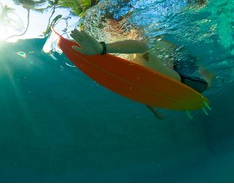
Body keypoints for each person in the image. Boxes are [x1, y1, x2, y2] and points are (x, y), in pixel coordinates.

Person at [70, 29, 215, 119]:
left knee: (205, 85)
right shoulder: (124, 59)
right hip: (166, 78)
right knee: (166, 63)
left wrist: (101, 48)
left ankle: (207, 74)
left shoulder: (139, 50)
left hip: (181, 79)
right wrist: (153, 110)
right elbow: (140, 85)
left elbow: (141, 46)